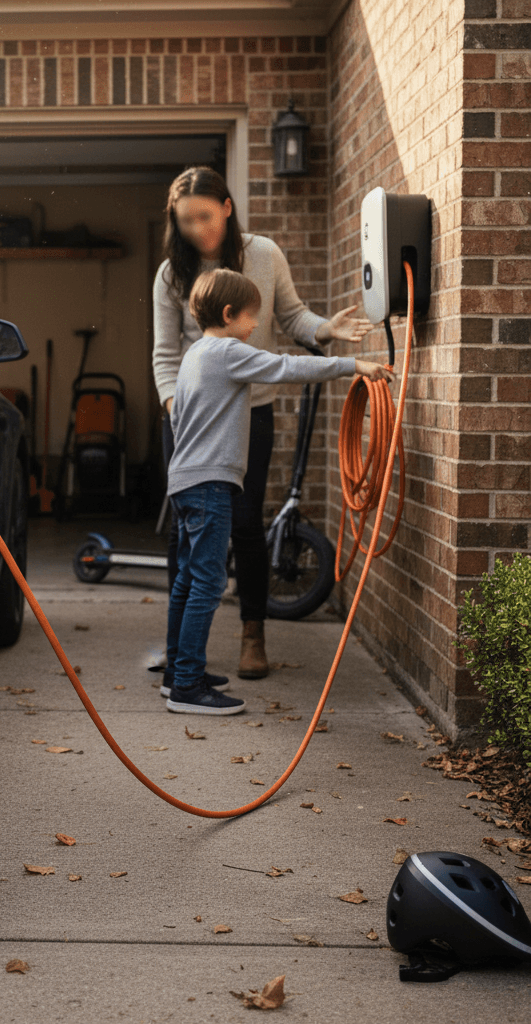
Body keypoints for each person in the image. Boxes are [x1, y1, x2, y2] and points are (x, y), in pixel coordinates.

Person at [153, 166, 373, 682]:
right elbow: (166, 356)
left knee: (246, 522)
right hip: (187, 418)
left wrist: (327, 330)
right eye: (185, 221)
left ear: (227, 208)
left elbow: (292, 321)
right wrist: (175, 409)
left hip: (250, 412)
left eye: (204, 217)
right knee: (187, 534)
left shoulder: (265, 255)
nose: (196, 229)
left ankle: (253, 634)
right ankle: (183, 649)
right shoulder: (171, 274)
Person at [164, 269, 392, 715]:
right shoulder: (228, 352)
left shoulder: (194, 355)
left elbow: (179, 422)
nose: (254, 328)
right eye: (252, 319)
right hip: (209, 484)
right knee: (209, 583)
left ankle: (178, 670)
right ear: (229, 315)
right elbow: (288, 367)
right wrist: (353, 365)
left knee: (188, 579)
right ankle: (187, 687)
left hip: (185, 480)